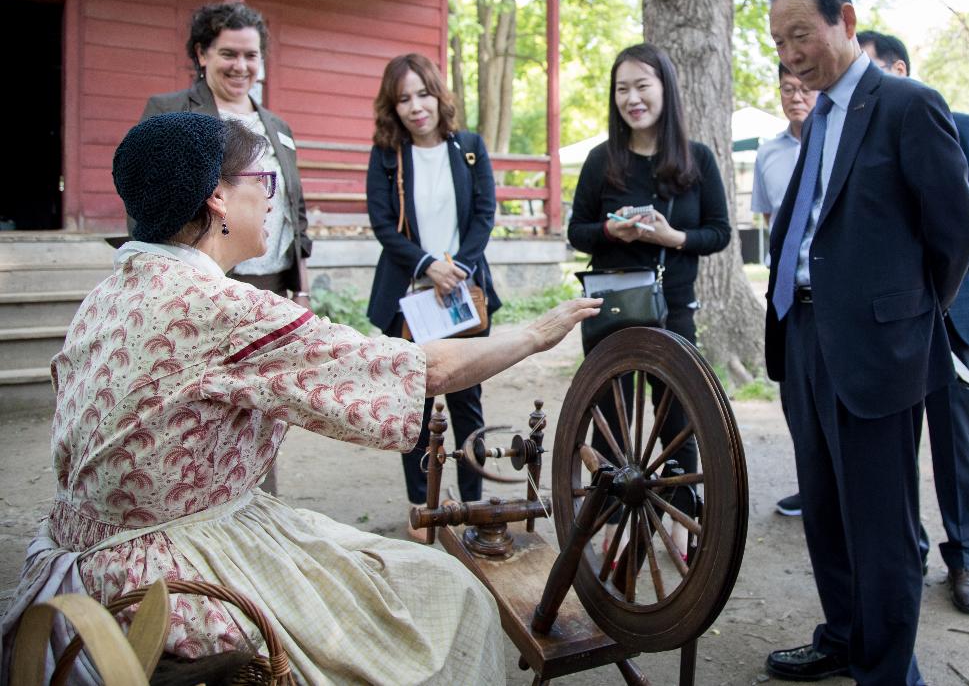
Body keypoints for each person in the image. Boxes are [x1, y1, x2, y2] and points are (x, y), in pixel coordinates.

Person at [0, 112, 600, 685]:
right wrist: (534, 334)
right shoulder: (218, 308)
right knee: (449, 595)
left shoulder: (108, 293)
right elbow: (429, 369)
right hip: (168, 569)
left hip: (74, 563)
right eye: (261, 180)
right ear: (216, 197)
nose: (270, 197)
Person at [763, 0, 969, 684]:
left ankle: (888, 672)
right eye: (778, 41)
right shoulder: (815, 115)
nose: (790, 54)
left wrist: (907, 316)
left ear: (845, 19)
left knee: (882, 527)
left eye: (802, 34)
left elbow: (955, 230)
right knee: (823, 510)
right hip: (804, 339)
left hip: (876, 348)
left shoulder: (908, 105)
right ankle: (845, 634)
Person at [858, 30, 969, 614]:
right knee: (893, 442)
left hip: (953, 313)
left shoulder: (963, 124)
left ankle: (967, 556)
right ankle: (907, 553)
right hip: (887, 319)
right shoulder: (855, 134)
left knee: (957, 439)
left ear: (899, 67)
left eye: (871, 69)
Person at [567, 42, 732, 556]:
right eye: (622, 88)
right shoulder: (602, 160)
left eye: (642, 85)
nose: (632, 98)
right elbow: (577, 231)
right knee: (611, 421)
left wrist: (671, 238)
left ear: (665, 89)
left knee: (679, 420)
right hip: (610, 309)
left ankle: (682, 524)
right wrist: (613, 232)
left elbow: (720, 232)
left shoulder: (696, 158)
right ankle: (611, 526)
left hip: (673, 308)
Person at [365, 54, 501, 538]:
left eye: (423, 93)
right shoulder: (386, 156)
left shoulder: (468, 148)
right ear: (393, 107)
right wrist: (428, 266)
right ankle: (422, 510)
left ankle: (473, 505)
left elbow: (485, 214)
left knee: (467, 401)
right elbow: (383, 224)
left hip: (465, 295)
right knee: (415, 406)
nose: (416, 106)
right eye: (404, 98)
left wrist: (459, 267)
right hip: (409, 298)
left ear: (437, 94)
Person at [141, 1, 310, 307]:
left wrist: (302, 289)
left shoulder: (278, 127)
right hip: (200, 288)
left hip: (273, 287)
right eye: (229, 54)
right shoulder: (170, 111)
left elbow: (293, 208)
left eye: (251, 55)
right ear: (202, 54)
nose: (241, 66)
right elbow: (147, 202)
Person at [750, 64, 817, 519]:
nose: (796, 97)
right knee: (793, 394)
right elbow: (770, 221)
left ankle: (834, 490)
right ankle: (810, 486)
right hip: (783, 291)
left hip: (827, 291)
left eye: (804, 88)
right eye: (787, 89)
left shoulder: (834, 142)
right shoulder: (768, 153)